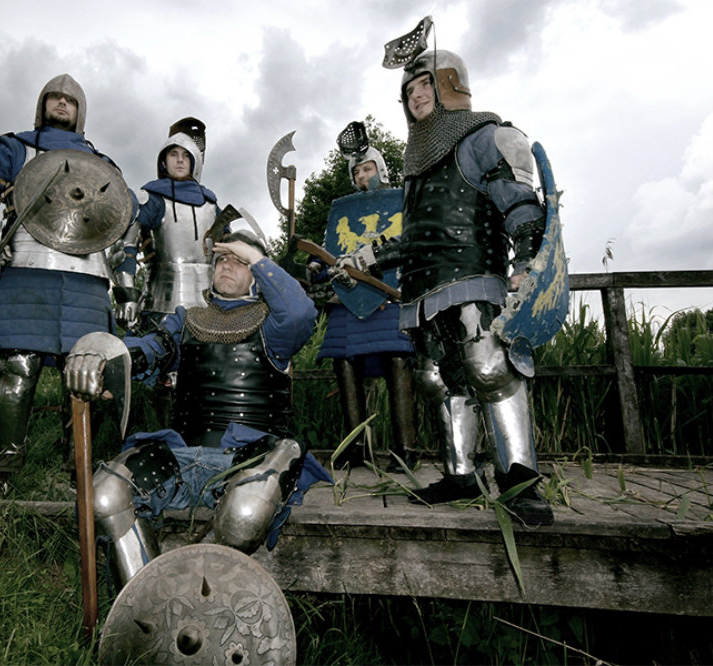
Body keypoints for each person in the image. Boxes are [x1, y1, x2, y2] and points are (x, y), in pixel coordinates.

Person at [343, 39, 554, 525]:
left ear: (450, 86)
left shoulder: (487, 137)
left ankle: (521, 481)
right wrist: (369, 257)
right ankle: (461, 475)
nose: (416, 95)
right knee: (438, 379)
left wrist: (527, 260)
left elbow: (521, 203)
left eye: (425, 85)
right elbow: (419, 235)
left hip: (474, 278)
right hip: (423, 290)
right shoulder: (416, 165)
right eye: (409, 91)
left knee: (489, 368)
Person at [65, 228, 329, 588]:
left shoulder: (275, 326)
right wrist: (102, 358)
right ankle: (145, 604)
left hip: (250, 457)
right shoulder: (186, 321)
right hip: (181, 454)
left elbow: (300, 314)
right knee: (104, 496)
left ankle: (211, 601)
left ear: (257, 273)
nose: (227, 265)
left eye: (240, 261)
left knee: (246, 511)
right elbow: (147, 350)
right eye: (222, 259)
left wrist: (257, 257)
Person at [0, 73, 135, 495]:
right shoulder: (13, 147)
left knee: (86, 375)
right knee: (19, 369)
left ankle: (79, 476)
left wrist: (126, 285)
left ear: (81, 111)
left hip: (87, 275)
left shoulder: (103, 164)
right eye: (54, 97)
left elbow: (125, 222)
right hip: (26, 265)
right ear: (42, 104)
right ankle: (3, 476)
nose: (62, 103)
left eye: (70, 100)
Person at [307, 122, 420, 471]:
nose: (361, 175)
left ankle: (406, 449)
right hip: (349, 297)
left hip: (389, 295)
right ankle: (356, 448)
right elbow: (331, 249)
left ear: (380, 169)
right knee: (344, 362)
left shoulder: (400, 201)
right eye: (356, 172)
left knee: (397, 359)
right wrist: (316, 264)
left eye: (367, 168)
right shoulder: (345, 210)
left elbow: (411, 245)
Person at [112, 117, 221, 334]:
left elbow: (231, 252)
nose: (180, 160)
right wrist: (127, 296)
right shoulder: (152, 199)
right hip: (159, 308)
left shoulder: (212, 206)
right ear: (163, 162)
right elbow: (124, 247)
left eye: (186, 156)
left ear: (194, 162)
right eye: (173, 154)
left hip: (209, 311)